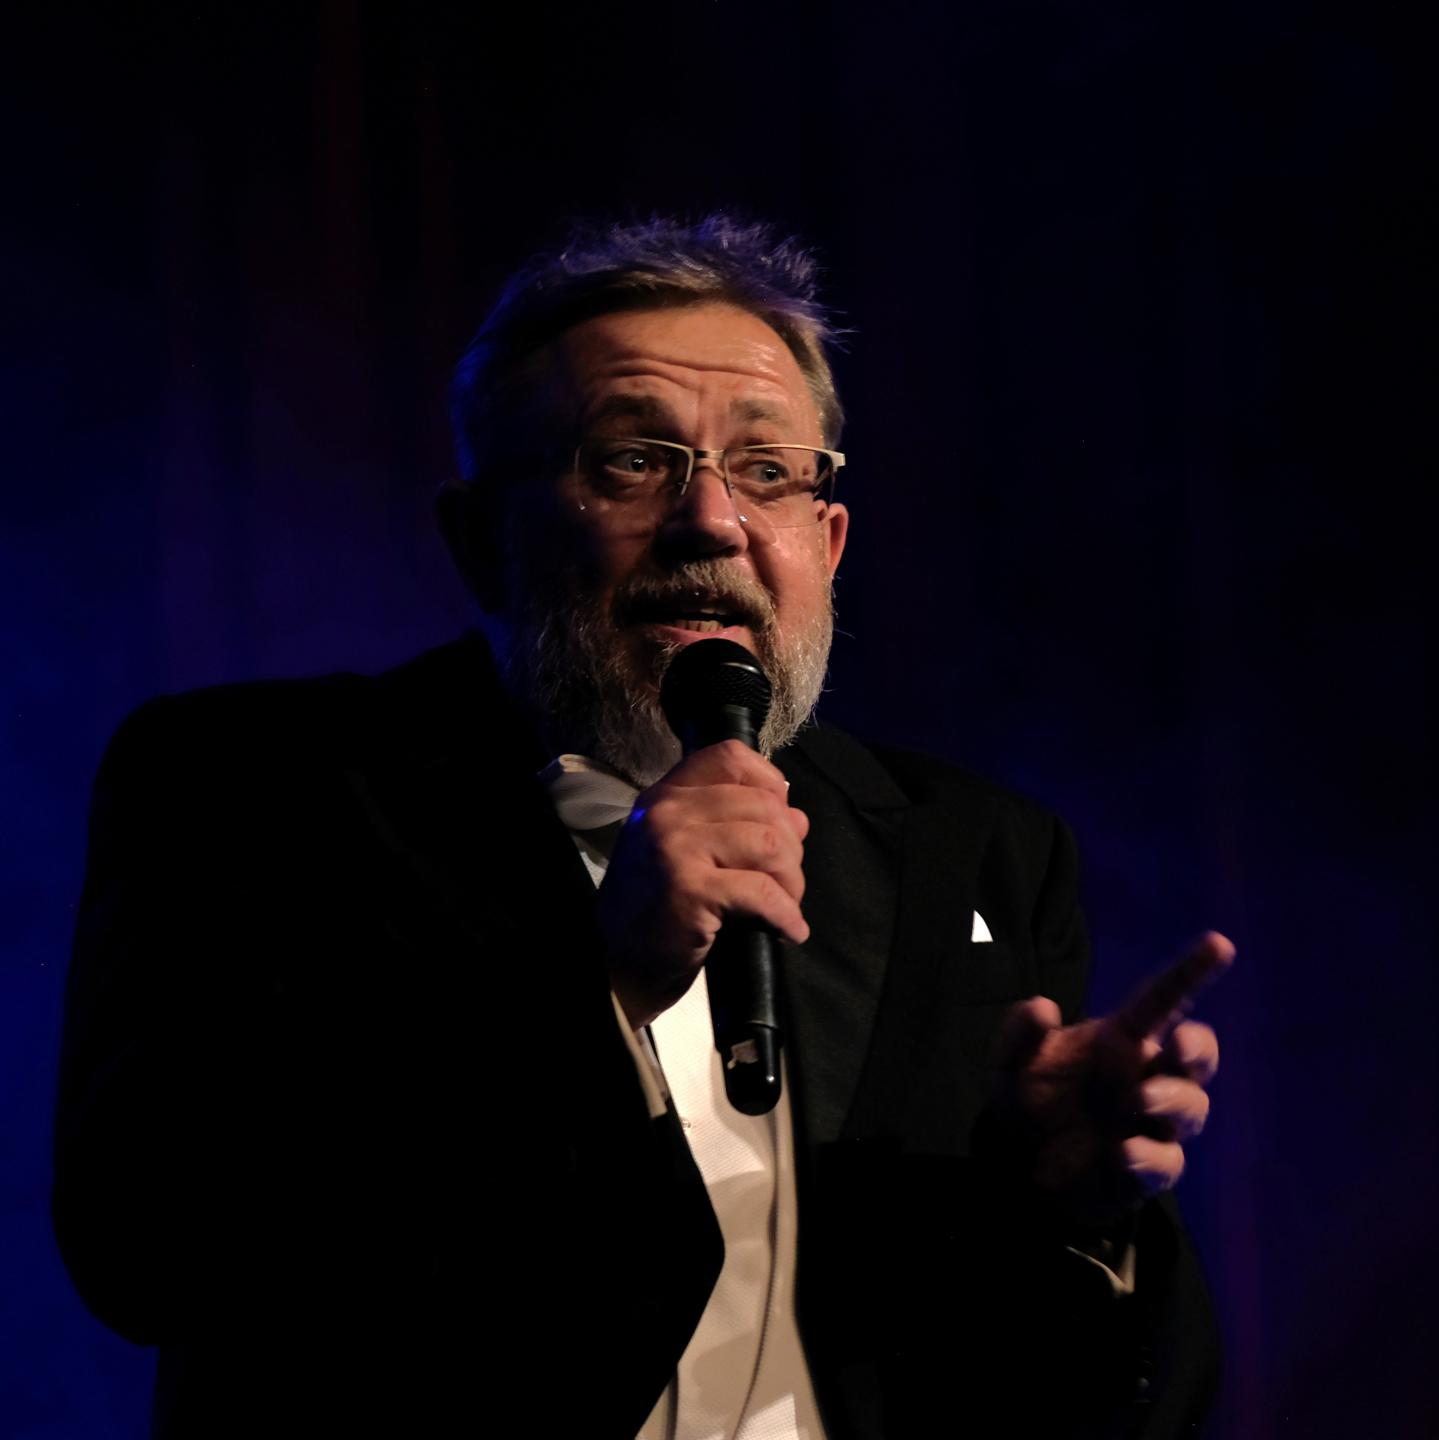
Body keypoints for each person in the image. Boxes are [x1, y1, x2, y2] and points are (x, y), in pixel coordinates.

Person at [53, 214, 1229, 1440]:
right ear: (480, 542)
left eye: (767, 470)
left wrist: (1075, 1213)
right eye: (630, 461)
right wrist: (597, 983)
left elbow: (1057, 1392)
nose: (710, 519)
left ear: (827, 543)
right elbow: (145, 1245)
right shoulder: (252, 791)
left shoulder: (975, 851)